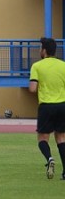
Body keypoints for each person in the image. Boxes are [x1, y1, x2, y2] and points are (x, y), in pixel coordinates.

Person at [28, 37, 65, 180]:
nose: (39, 50)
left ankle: (49, 158)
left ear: (44, 50)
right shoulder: (63, 65)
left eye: (40, 48)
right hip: (62, 105)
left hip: (46, 106)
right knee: (61, 138)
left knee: (42, 138)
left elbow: (32, 89)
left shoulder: (37, 66)